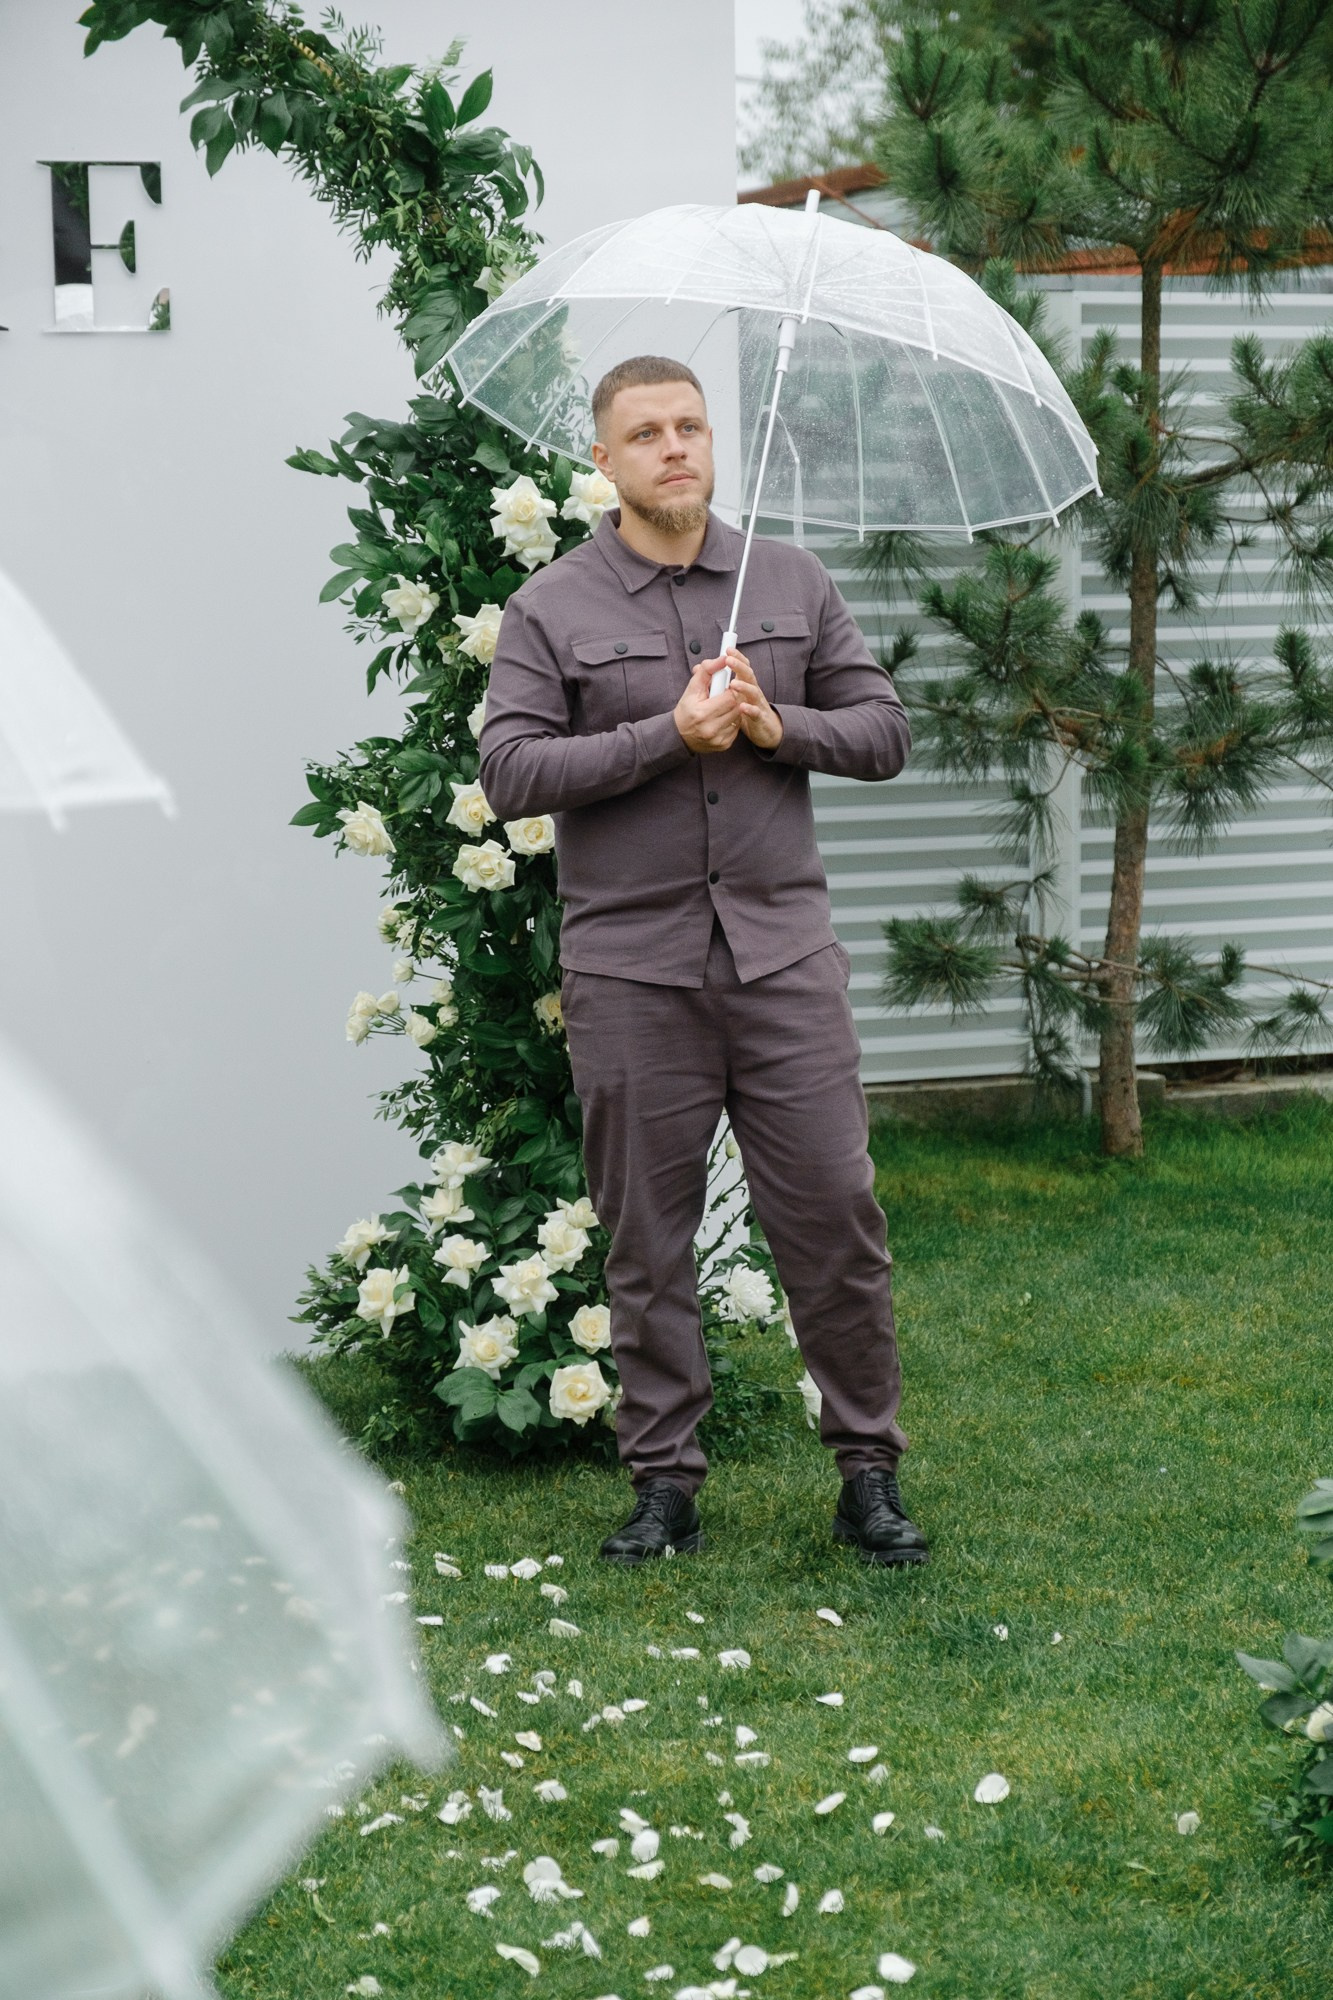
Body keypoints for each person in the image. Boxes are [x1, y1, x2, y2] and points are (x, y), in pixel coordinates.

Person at [479, 354, 927, 1570]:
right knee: (647, 1239)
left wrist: (781, 726)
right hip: (632, 973)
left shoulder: (791, 581)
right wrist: (663, 735)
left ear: (712, 442)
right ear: (604, 461)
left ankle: (868, 1472)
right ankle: (665, 1483)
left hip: (784, 965)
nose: (674, 447)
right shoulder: (552, 606)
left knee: (835, 1220)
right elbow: (510, 771)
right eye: (646, 433)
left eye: (689, 426)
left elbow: (884, 731)